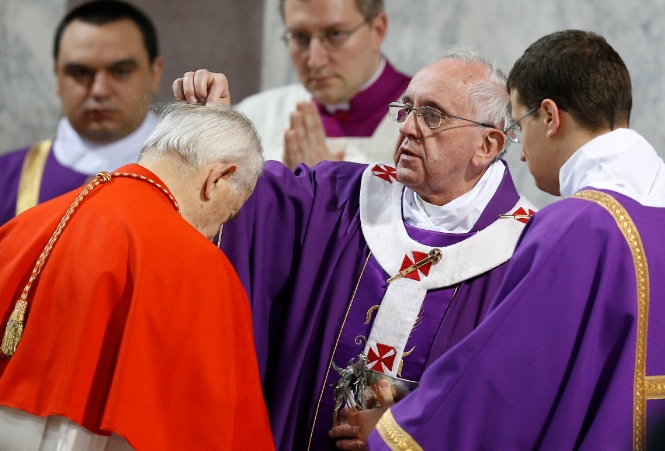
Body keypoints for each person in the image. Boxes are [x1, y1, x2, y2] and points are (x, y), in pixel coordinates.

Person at [174, 47, 536, 451]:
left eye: (432, 115)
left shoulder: (527, 255)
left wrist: (405, 434)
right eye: (406, 109)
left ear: (487, 145)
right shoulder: (337, 199)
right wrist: (215, 129)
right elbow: (249, 201)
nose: (408, 128)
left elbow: (509, 409)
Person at [352, 30, 665, 451]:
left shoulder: (576, 228)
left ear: (550, 118)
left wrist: (397, 429)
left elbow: (503, 385)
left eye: (518, 126)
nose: (519, 153)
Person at [0, 103, 274, 451]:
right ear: (217, 178)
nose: (218, 228)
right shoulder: (203, 267)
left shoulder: (27, 225)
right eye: (230, 212)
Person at [0, 0, 163, 227]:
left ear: (154, 74)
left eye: (121, 72)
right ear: (57, 77)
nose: (100, 91)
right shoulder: (6, 180)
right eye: (80, 73)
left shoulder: (201, 183)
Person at [233, 0, 410, 168]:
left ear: (377, 30)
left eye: (335, 34)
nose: (315, 61)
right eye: (300, 37)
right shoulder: (254, 116)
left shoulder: (426, 121)